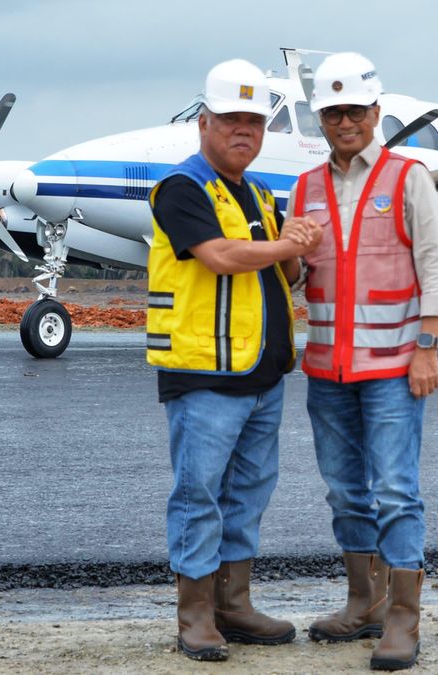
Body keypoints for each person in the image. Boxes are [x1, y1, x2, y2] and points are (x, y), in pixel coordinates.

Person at [146, 58, 322, 662]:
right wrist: (284, 242)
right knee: (200, 493)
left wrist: (299, 247)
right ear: (203, 122)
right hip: (203, 374)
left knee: (249, 490)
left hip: (262, 373)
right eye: (230, 121)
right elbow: (219, 256)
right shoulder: (182, 189)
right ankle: (195, 614)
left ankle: (235, 604)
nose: (243, 131)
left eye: (253, 121)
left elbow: (286, 273)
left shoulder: (258, 193)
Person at [292, 52, 438, 671]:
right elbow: (294, 271)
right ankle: (364, 602)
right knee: (343, 492)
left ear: (375, 112)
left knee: (395, 490)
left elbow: (437, 266)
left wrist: (427, 347)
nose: (344, 122)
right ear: (321, 119)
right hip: (328, 369)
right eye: (332, 112)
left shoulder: (406, 176)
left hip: (393, 367)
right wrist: (287, 253)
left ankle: (404, 621)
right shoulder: (305, 188)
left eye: (354, 111)